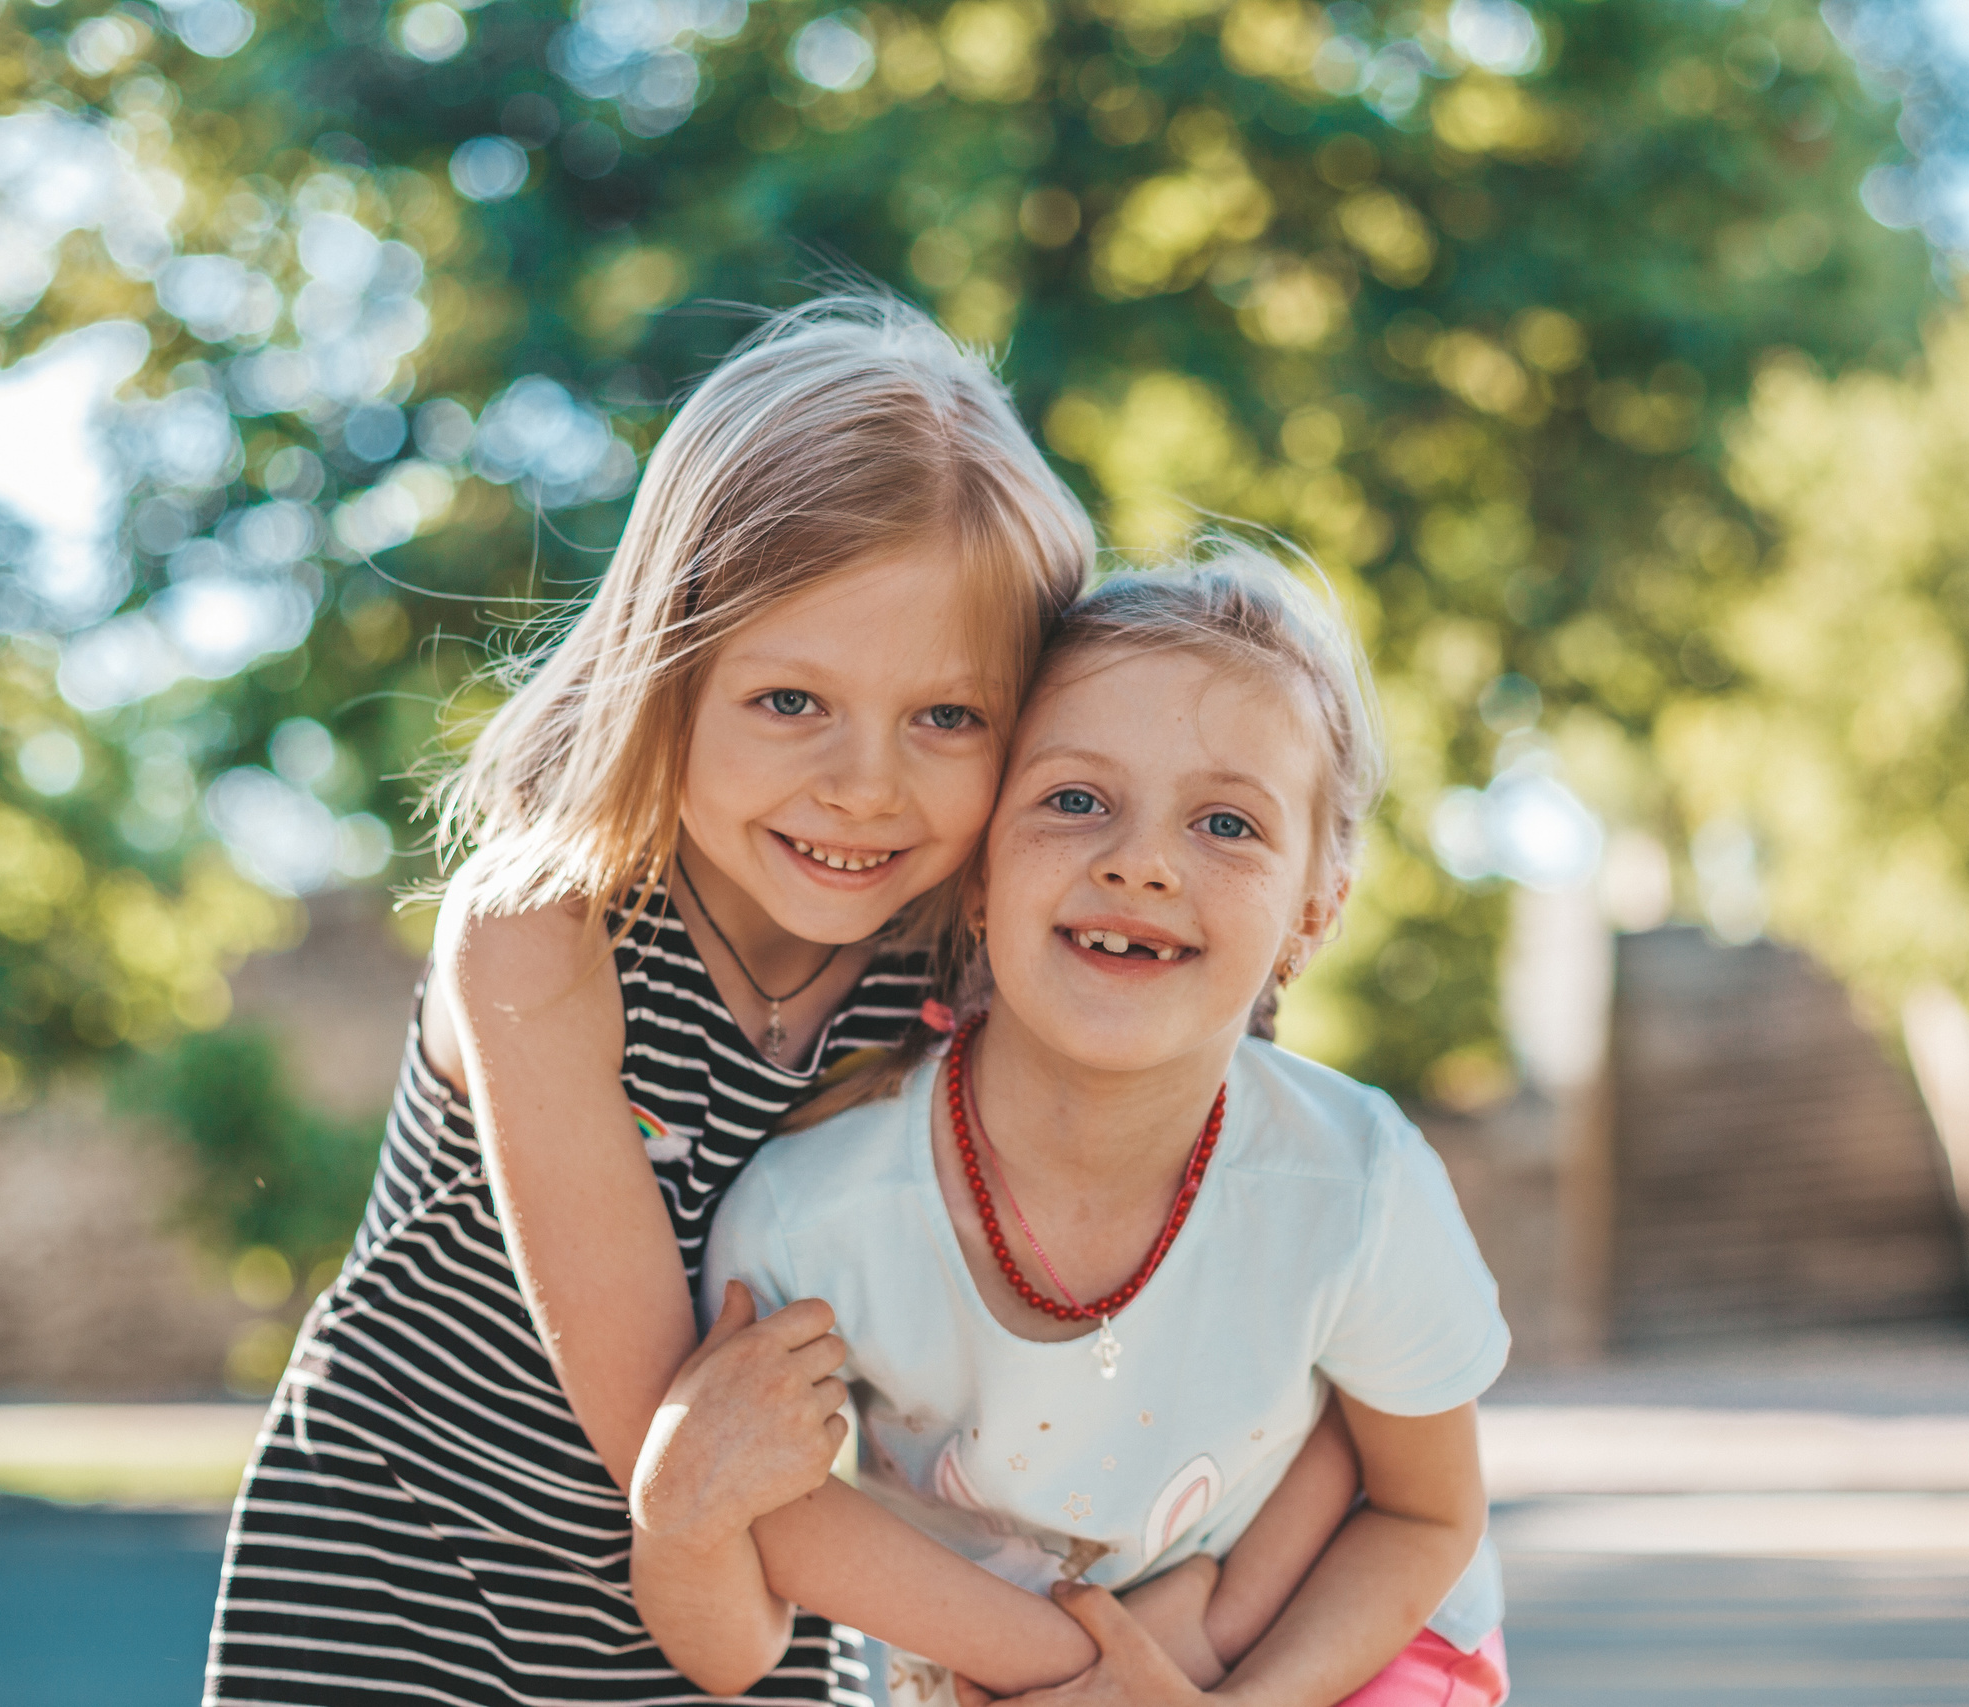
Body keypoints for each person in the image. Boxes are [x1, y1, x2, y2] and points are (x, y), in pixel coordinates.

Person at [202, 296, 1098, 1706]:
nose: (866, 784)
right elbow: (675, 1451)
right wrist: (1099, 1669)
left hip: (743, 1606)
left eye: (948, 716)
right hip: (415, 1607)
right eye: (791, 700)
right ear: (671, 672)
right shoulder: (543, 934)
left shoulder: (952, 964)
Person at [640, 546, 1512, 1706]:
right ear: (978, 871)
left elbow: (1424, 1510)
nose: (1142, 862)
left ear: (1315, 909)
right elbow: (769, 1525)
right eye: (1075, 801)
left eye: (1226, 824)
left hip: (1331, 1652)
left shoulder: (1353, 1180)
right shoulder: (810, 1218)